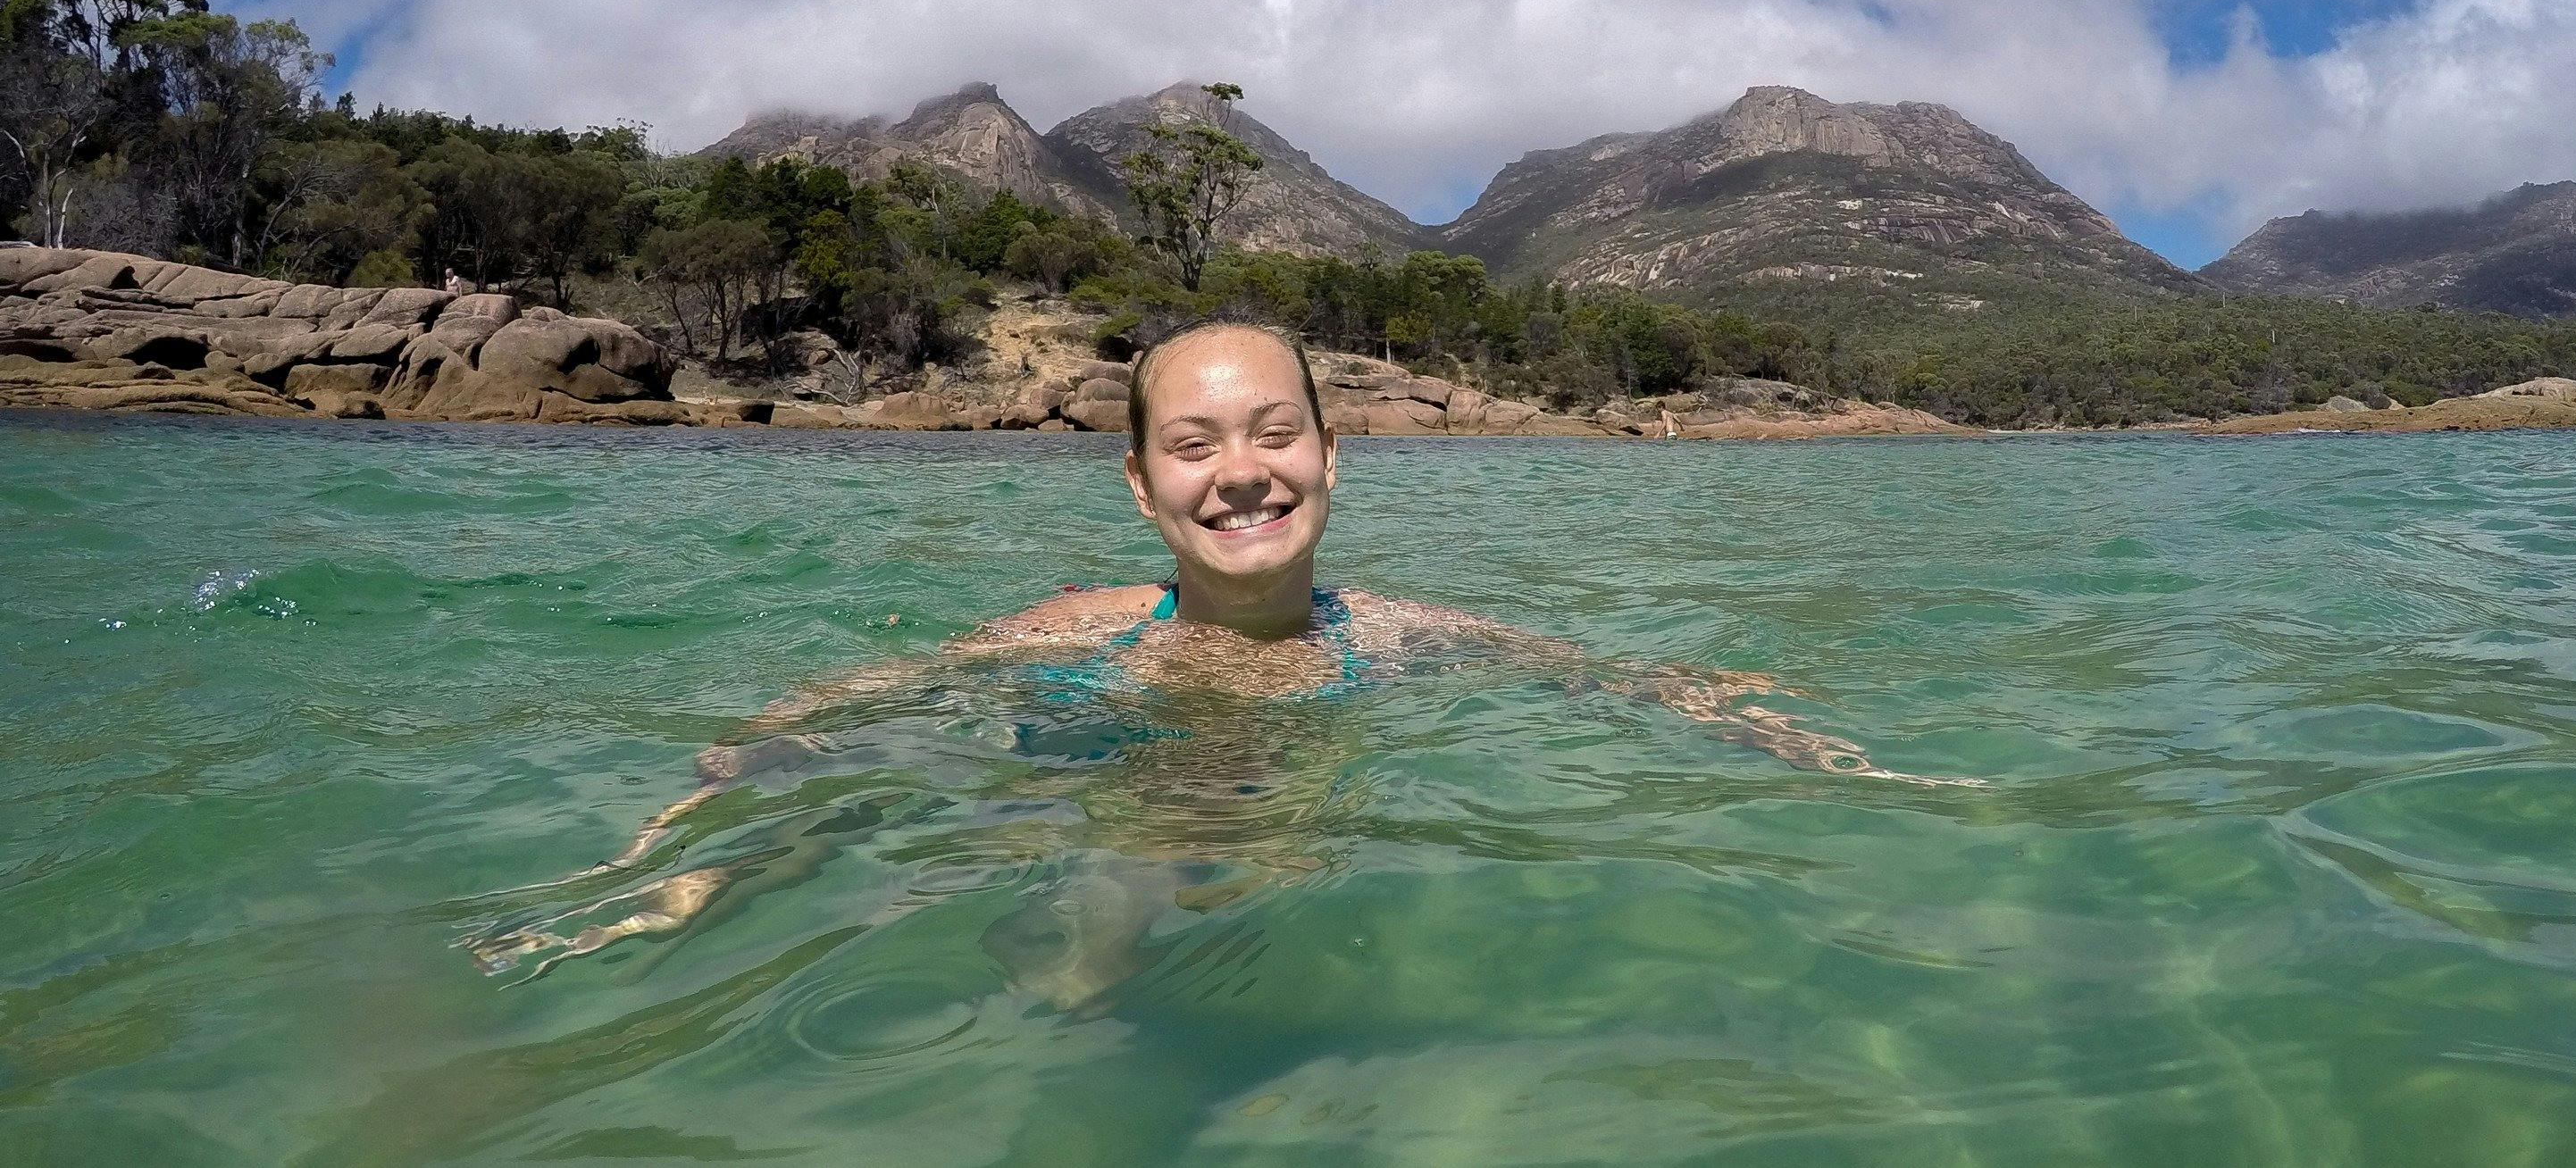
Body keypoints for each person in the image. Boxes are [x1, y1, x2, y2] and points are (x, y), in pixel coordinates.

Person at [469, 321, 1970, 977]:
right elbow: (840, 713)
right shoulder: (1072, 626)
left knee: (1117, 936)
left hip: (1227, 831)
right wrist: (697, 830)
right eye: (1194, 444)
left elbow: (1612, 677)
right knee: (998, 880)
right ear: (1140, 483)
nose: (1240, 472)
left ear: (1333, 456)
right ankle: (668, 914)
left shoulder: (1406, 632)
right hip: (1053, 773)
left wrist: (1756, 721)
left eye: (1275, 434)